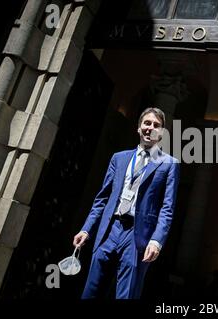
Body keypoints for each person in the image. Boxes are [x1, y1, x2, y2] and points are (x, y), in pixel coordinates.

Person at [73, 107, 180, 299]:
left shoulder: (169, 164)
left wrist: (156, 240)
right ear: (138, 128)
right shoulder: (119, 158)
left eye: (156, 125)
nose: (151, 128)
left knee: (127, 294)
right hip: (109, 230)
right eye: (147, 123)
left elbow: (167, 208)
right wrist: (86, 229)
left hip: (137, 235)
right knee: (91, 291)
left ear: (162, 133)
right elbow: (102, 198)